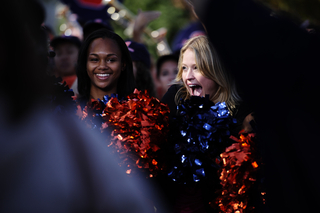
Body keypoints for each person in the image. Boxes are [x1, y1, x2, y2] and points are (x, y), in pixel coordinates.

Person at [160, 35, 253, 212]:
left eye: (197, 68)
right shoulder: (175, 99)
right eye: (185, 68)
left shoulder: (241, 113)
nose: (188, 76)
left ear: (216, 70)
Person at [76, 28, 135, 104]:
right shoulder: (68, 111)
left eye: (111, 60)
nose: (102, 66)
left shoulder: (139, 112)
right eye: (94, 59)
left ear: (123, 64)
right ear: (85, 63)